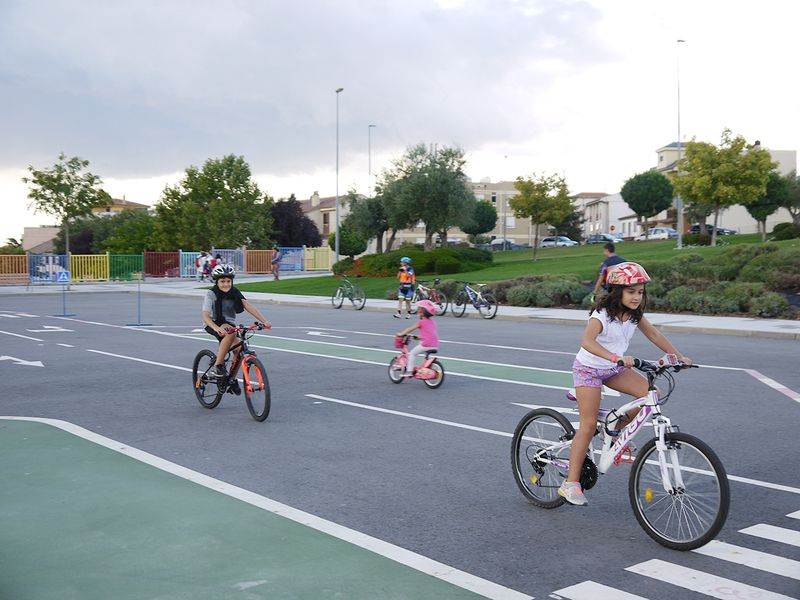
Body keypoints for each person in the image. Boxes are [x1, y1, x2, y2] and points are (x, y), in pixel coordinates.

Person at [560, 262, 692, 506]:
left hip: (613, 369)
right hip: (588, 370)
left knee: (650, 394)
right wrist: (614, 357)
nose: (637, 297)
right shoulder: (601, 315)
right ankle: (570, 484)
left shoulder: (634, 315)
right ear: (617, 292)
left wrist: (678, 356)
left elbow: (654, 335)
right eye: (631, 292)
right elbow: (587, 342)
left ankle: (614, 428)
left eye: (640, 292)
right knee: (587, 426)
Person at [201, 264, 270, 395]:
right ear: (216, 282)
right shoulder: (211, 293)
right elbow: (205, 316)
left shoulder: (235, 292)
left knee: (239, 349)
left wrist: (264, 321)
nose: (226, 284)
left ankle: (231, 380)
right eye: (222, 281)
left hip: (228, 324)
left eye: (228, 281)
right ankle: (218, 366)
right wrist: (216, 327)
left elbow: (247, 305)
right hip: (213, 323)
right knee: (230, 331)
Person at [395, 299, 439, 377]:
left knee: (412, 353)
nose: (417, 312)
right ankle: (423, 369)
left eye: (418, 310)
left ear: (421, 312)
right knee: (420, 348)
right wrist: (417, 337)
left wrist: (401, 334)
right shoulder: (432, 322)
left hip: (426, 344)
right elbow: (429, 334)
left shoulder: (421, 322)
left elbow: (409, 329)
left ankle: (409, 371)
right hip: (435, 344)